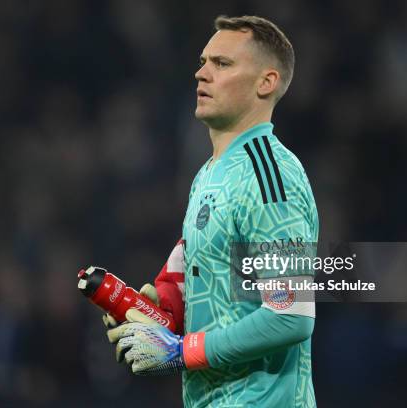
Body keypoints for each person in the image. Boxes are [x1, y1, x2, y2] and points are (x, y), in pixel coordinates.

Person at [105, 15, 319, 408]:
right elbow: (211, 278)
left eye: (222, 64)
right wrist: (160, 309)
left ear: (265, 83)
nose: (201, 74)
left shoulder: (268, 175)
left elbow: (291, 315)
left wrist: (181, 351)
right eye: (204, 61)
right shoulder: (209, 174)